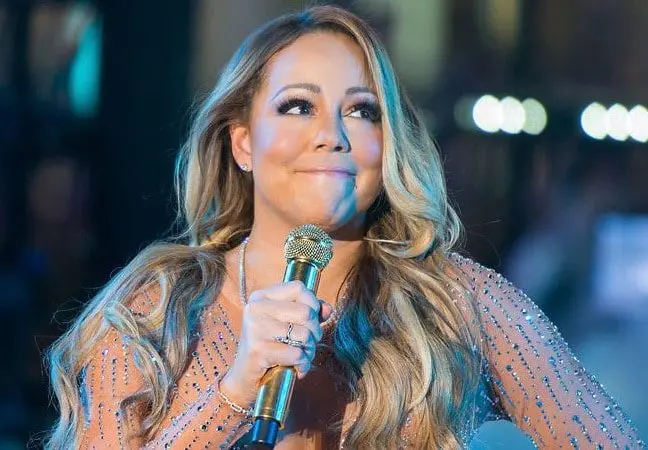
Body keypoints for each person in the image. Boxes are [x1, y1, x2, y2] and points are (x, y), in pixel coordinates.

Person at [44, 5, 644, 449]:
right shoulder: (156, 310)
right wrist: (233, 393)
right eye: (298, 106)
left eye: (361, 111)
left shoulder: (460, 303)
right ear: (243, 142)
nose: (332, 135)